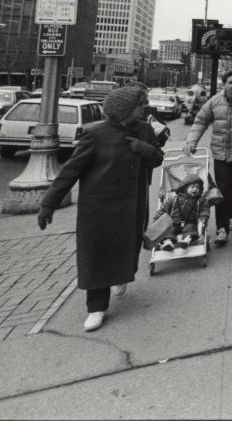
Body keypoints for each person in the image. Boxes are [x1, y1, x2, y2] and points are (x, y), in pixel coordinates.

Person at [37, 84, 164, 332]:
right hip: (98, 206)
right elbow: (70, 171)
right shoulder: (95, 134)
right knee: (96, 254)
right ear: (124, 109)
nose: (144, 108)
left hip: (132, 202)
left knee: (128, 245)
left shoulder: (145, 130)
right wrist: (48, 203)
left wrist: (144, 148)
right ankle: (96, 307)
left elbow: (157, 158)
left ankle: (121, 275)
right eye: (140, 104)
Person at [185, 70, 232, 246]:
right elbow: (200, 121)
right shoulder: (214, 102)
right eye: (231, 82)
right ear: (224, 84)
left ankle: (231, 215)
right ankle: (222, 229)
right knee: (223, 190)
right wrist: (191, 141)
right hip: (221, 153)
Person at [155, 169, 209, 251]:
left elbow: (204, 212)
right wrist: (156, 220)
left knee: (190, 229)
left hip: (190, 223)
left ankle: (187, 240)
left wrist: (203, 219)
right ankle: (168, 242)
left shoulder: (200, 200)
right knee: (168, 230)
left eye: (197, 187)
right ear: (185, 188)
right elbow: (163, 210)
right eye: (192, 187)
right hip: (174, 223)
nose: (195, 189)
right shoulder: (173, 198)